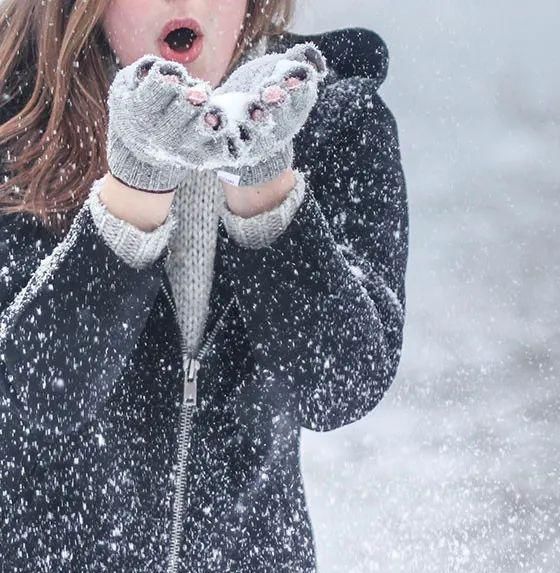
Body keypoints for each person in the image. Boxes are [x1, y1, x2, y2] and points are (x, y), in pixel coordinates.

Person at [0, 0, 408, 571]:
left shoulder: (337, 122)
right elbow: (28, 396)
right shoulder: (15, 127)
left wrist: (266, 189)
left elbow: (341, 385)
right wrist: (134, 190)